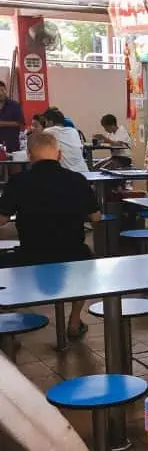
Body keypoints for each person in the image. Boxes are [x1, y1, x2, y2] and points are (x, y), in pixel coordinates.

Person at [0, 132, 101, 339]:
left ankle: (7, 326)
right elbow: (96, 217)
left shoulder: (19, 181)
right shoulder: (77, 180)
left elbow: (1, 219)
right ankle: (74, 321)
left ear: (29, 156)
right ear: (59, 154)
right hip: (75, 256)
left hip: (30, 257)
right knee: (87, 260)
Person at [41, 107, 88, 174]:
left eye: (45, 122)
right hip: (84, 172)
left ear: (50, 122)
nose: (45, 125)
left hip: (66, 175)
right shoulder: (73, 131)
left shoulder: (48, 131)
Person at [0, 80, 25, 153]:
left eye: (2, 90)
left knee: (13, 163)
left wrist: (2, 123)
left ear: (5, 91)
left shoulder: (14, 105)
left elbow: (21, 123)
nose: (0, 93)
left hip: (11, 144)